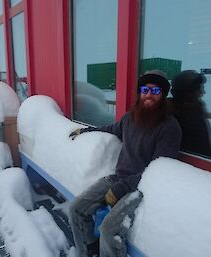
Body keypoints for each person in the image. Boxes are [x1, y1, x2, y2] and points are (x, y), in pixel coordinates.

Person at [68, 70, 182, 257]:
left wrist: (122, 187)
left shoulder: (169, 128)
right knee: (76, 209)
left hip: (142, 188)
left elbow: (158, 172)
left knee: (108, 230)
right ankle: (89, 251)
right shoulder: (131, 118)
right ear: (139, 92)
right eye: (145, 89)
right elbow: (111, 128)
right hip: (119, 179)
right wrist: (86, 130)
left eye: (156, 91)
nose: (149, 95)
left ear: (163, 95)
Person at [168, 70, 211, 159]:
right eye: (199, 89)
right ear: (187, 93)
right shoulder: (179, 117)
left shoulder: (194, 112)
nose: (202, 93)